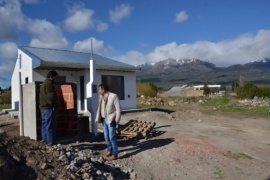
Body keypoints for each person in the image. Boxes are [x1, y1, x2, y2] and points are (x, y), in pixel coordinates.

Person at [95, 83, 121, 160]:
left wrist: (117, 120)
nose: (99, 91)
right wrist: (97, 118)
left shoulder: (113, 96)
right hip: (103, 119)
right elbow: (99, 108)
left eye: (100, 89)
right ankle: (109, 150)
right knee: (106, 137)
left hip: (111, 119)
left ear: (104, 89)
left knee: (112, 137)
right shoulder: (101, 97)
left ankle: (115, 154)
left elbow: (118, 109)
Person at [39, 70, 58, 146]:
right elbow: (50, 96)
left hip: (43, 107)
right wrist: (54, 105)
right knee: (50, 126)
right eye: (55, 77)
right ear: (51, 76)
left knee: (44, 125)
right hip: (48, 108)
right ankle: (50, 143)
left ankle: (44, 141)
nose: (56, 79)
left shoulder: (44, 83)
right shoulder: (49, 83)